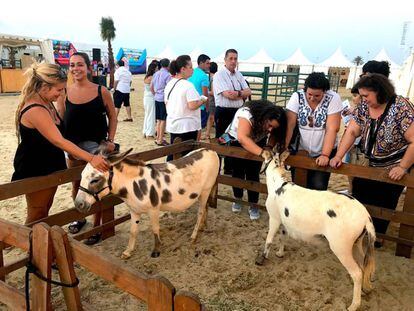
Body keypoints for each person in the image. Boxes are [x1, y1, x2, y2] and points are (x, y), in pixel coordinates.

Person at [12, 62, 108, 224]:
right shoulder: (35, 108)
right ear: (43, 87)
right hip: (35, 167)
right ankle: (32, 247)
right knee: (37, 212)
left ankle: (38, 245)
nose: (61, 93)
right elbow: (58, 140)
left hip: (50, 164)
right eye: (58, 89)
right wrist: (91, 158)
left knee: (46, 207)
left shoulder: (46, 102)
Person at [330, 73, 414, 247]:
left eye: (366, 95)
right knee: (360, 195)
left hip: (394, 165)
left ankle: (378, 237)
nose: (363, 99)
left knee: (385, 201)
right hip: (368, 162)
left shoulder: (401, 107)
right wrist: (338, 155)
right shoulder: (363, 107)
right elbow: (352, 131)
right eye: (361, 95)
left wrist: (403, 167)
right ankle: (360, 231)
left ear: (379, 92)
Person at [58, 52, 117, 245]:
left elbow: (113, 116)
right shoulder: (64, 91)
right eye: (72, 65)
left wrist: (111, 139)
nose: (75, 69)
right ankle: (79, 216)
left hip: (96, 148)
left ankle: (96, 225)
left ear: (88, 67)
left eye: (80, 65)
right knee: (76, 184)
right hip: (73, 148)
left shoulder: (102, 91)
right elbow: (60, 118)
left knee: (96, 185)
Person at [225, 100, 287, 220]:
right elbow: (242, 138)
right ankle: (237, 198)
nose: (270, 129)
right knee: (238, 171)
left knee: (253, 173)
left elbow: (275, 133)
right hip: (236, 141)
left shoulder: (271, 123)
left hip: (258, 140)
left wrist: (268, 146)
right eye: (269, 125)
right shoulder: (246, 114)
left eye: (273, 127)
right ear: (264, 117)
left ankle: (253, 203)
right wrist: (262, 152)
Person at [285, 72, 342, 190]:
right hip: (300, 148)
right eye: (309, 94)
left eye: (317, 96)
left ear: (324, 92)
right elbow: (289, 125)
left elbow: (332, 128)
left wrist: (325, 154)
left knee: (318, 185)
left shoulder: (333, 98)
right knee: (298, 184)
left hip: (323, 148)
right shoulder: (297, 96)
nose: (312, 98)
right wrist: (285, 147)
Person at [213, 49, 252, 174]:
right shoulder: (219, 75)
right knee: (222, 140)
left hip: (237, 112)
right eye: (231, 58)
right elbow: (228, 95)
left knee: (235, 139)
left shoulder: (238, 75)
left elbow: (248, 91)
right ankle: (216, 170)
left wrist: (238, 93)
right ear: (225, 60)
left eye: (235, 58)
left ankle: (230, 169)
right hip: (224, 111)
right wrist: (241, 93)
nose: (233, 61)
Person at [164, 55, 207, 161]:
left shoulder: (170, 83)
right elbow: (192, 105)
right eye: (190, 67)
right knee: (186, 157)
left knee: (174, 153)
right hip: (187, 126)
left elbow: (166, 103)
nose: (192, 70)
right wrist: (202, 100)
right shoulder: (187, 85)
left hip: (174, 123)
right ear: (183, 69)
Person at [188, 54, 211, 140]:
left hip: (190, 103)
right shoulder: (204, 76)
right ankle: (196, 143)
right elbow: (205, 94)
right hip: (200, 106)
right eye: (207, 63)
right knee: (199, 127)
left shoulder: (191, 72)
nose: (209, 65)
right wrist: (207, 106)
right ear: (201, 63)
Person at [151, 58, 172, 146]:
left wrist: (155, 94)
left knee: (159, 119)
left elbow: (151, 87)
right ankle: (160, 139)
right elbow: (169, 88)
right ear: (168, 65)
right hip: (163, 98)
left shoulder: (156, 74)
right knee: (163, 119)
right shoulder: (168, 75)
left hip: (156, 97)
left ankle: (158, 138)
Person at [143, 62, 159, 139]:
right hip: (151, 97)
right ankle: (149, 133)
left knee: (147, 115)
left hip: (146, 96)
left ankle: (145, 131)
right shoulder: (152, 77)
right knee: (151, 115)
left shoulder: (146, 77)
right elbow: (153, 89)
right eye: (156, 68)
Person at [204, 61, 218, 140]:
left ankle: (207, 134)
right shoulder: (215, 77)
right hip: (214, 101)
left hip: (213, 101)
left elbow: (213, 92)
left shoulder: (213, 78)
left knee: (211, 118)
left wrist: (206, 92)